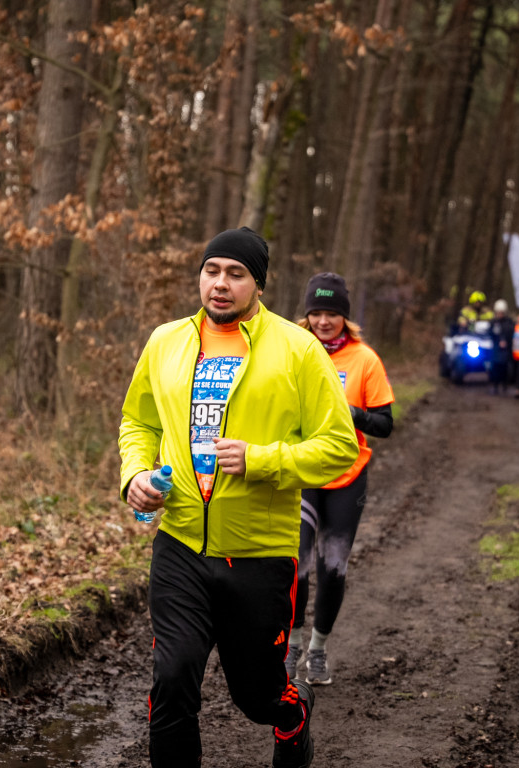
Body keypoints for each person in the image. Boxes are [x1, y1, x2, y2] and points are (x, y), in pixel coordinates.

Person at [118, 227, 359, 768]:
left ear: (258, 284)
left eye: (235, 274)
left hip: (259, 553)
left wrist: (262, 459)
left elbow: (340, 447)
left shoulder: (298, 351)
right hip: (180, 544)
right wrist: (134, 473)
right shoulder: (166, 341)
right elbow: (138, 420)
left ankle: (292, 717)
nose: (219, 284)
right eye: (211, 270)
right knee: (174, 679)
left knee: (257, 698)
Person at [286, 273, 395, 686]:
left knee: (333, 568)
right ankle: (293, 643)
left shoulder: (364, 360)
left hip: (347, 476)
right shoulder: (296, 353)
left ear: (344, 318)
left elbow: (385, 424)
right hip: (303, 473)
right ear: (308, 315)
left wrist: (357, 415)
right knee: (296, 563)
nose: (324, 320)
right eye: (317, 312)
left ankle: (317, 648)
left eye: (332, 313)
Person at [487, 299, 515, 395]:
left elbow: (512, 334)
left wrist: (507, 342)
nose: (500, 314)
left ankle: (505, 385)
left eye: (502, 312)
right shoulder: (493, 323)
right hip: (496, 349)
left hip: (506, 350)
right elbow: (490, 334)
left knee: (506, 369)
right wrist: (497, 341)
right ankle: (495, 386)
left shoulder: (509, 322)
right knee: (495, 369)